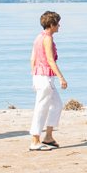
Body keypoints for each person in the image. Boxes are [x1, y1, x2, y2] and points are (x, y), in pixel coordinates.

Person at [28, 11, 67, 151]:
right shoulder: (47, 38)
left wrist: (34, 75)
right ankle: (35, 140)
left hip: (41, 77)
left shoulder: (39, 37)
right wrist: (61, 78)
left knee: (57, 105)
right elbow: (50, 60)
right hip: (44, 78)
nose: (59, 26)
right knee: (41, 108)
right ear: (51, 25)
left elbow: (32, 59)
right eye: (57, 23)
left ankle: (48, 136)